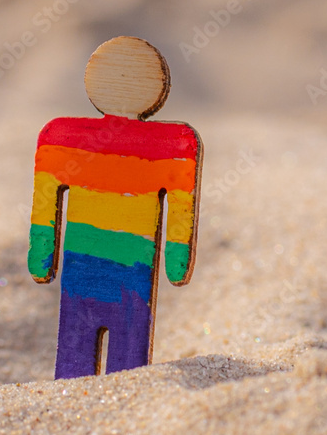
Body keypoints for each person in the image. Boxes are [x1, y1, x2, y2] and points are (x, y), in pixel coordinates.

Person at [27, 36, 202, 379]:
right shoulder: (174, 145)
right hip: (124, 272)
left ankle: (92, 401)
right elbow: (182, 209)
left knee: (83, 347)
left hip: (97, 270)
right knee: (117, 350)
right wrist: (176, 263)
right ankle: (115, 399)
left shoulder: (61, 136)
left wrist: (41, 258)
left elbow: (44, 207)